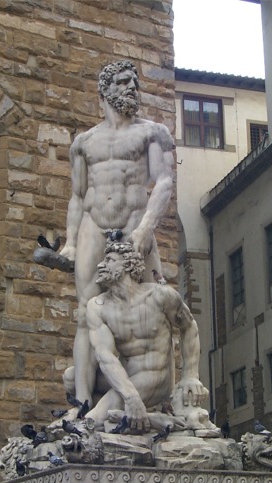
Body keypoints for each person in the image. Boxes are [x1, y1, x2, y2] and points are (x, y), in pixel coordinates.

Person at [59, 60, 174, 405]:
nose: (132, 89)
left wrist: (144, 230)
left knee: (154, 310)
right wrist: (69, 242)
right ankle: (82, 406)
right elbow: (78, 197)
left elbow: (164, 181)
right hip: (94, 225)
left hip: (134, 226)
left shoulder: (152, 132)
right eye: (124, 82)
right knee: (85, 312)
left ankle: (159, 397)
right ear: (105, 89)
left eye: (135, 84)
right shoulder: (83, 142)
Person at [84, 241, 208, 432]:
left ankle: (108, 416)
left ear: (127, 265)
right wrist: (132, 397)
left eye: (109, 260)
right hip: (125, 373)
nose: (101, 265)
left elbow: (189, 327)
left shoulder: (161, 295)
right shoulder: (97, 306)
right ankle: (143, 416)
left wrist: (190, 376)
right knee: (71, 378)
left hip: (154, 375)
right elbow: (105, 356)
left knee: (93, 420)